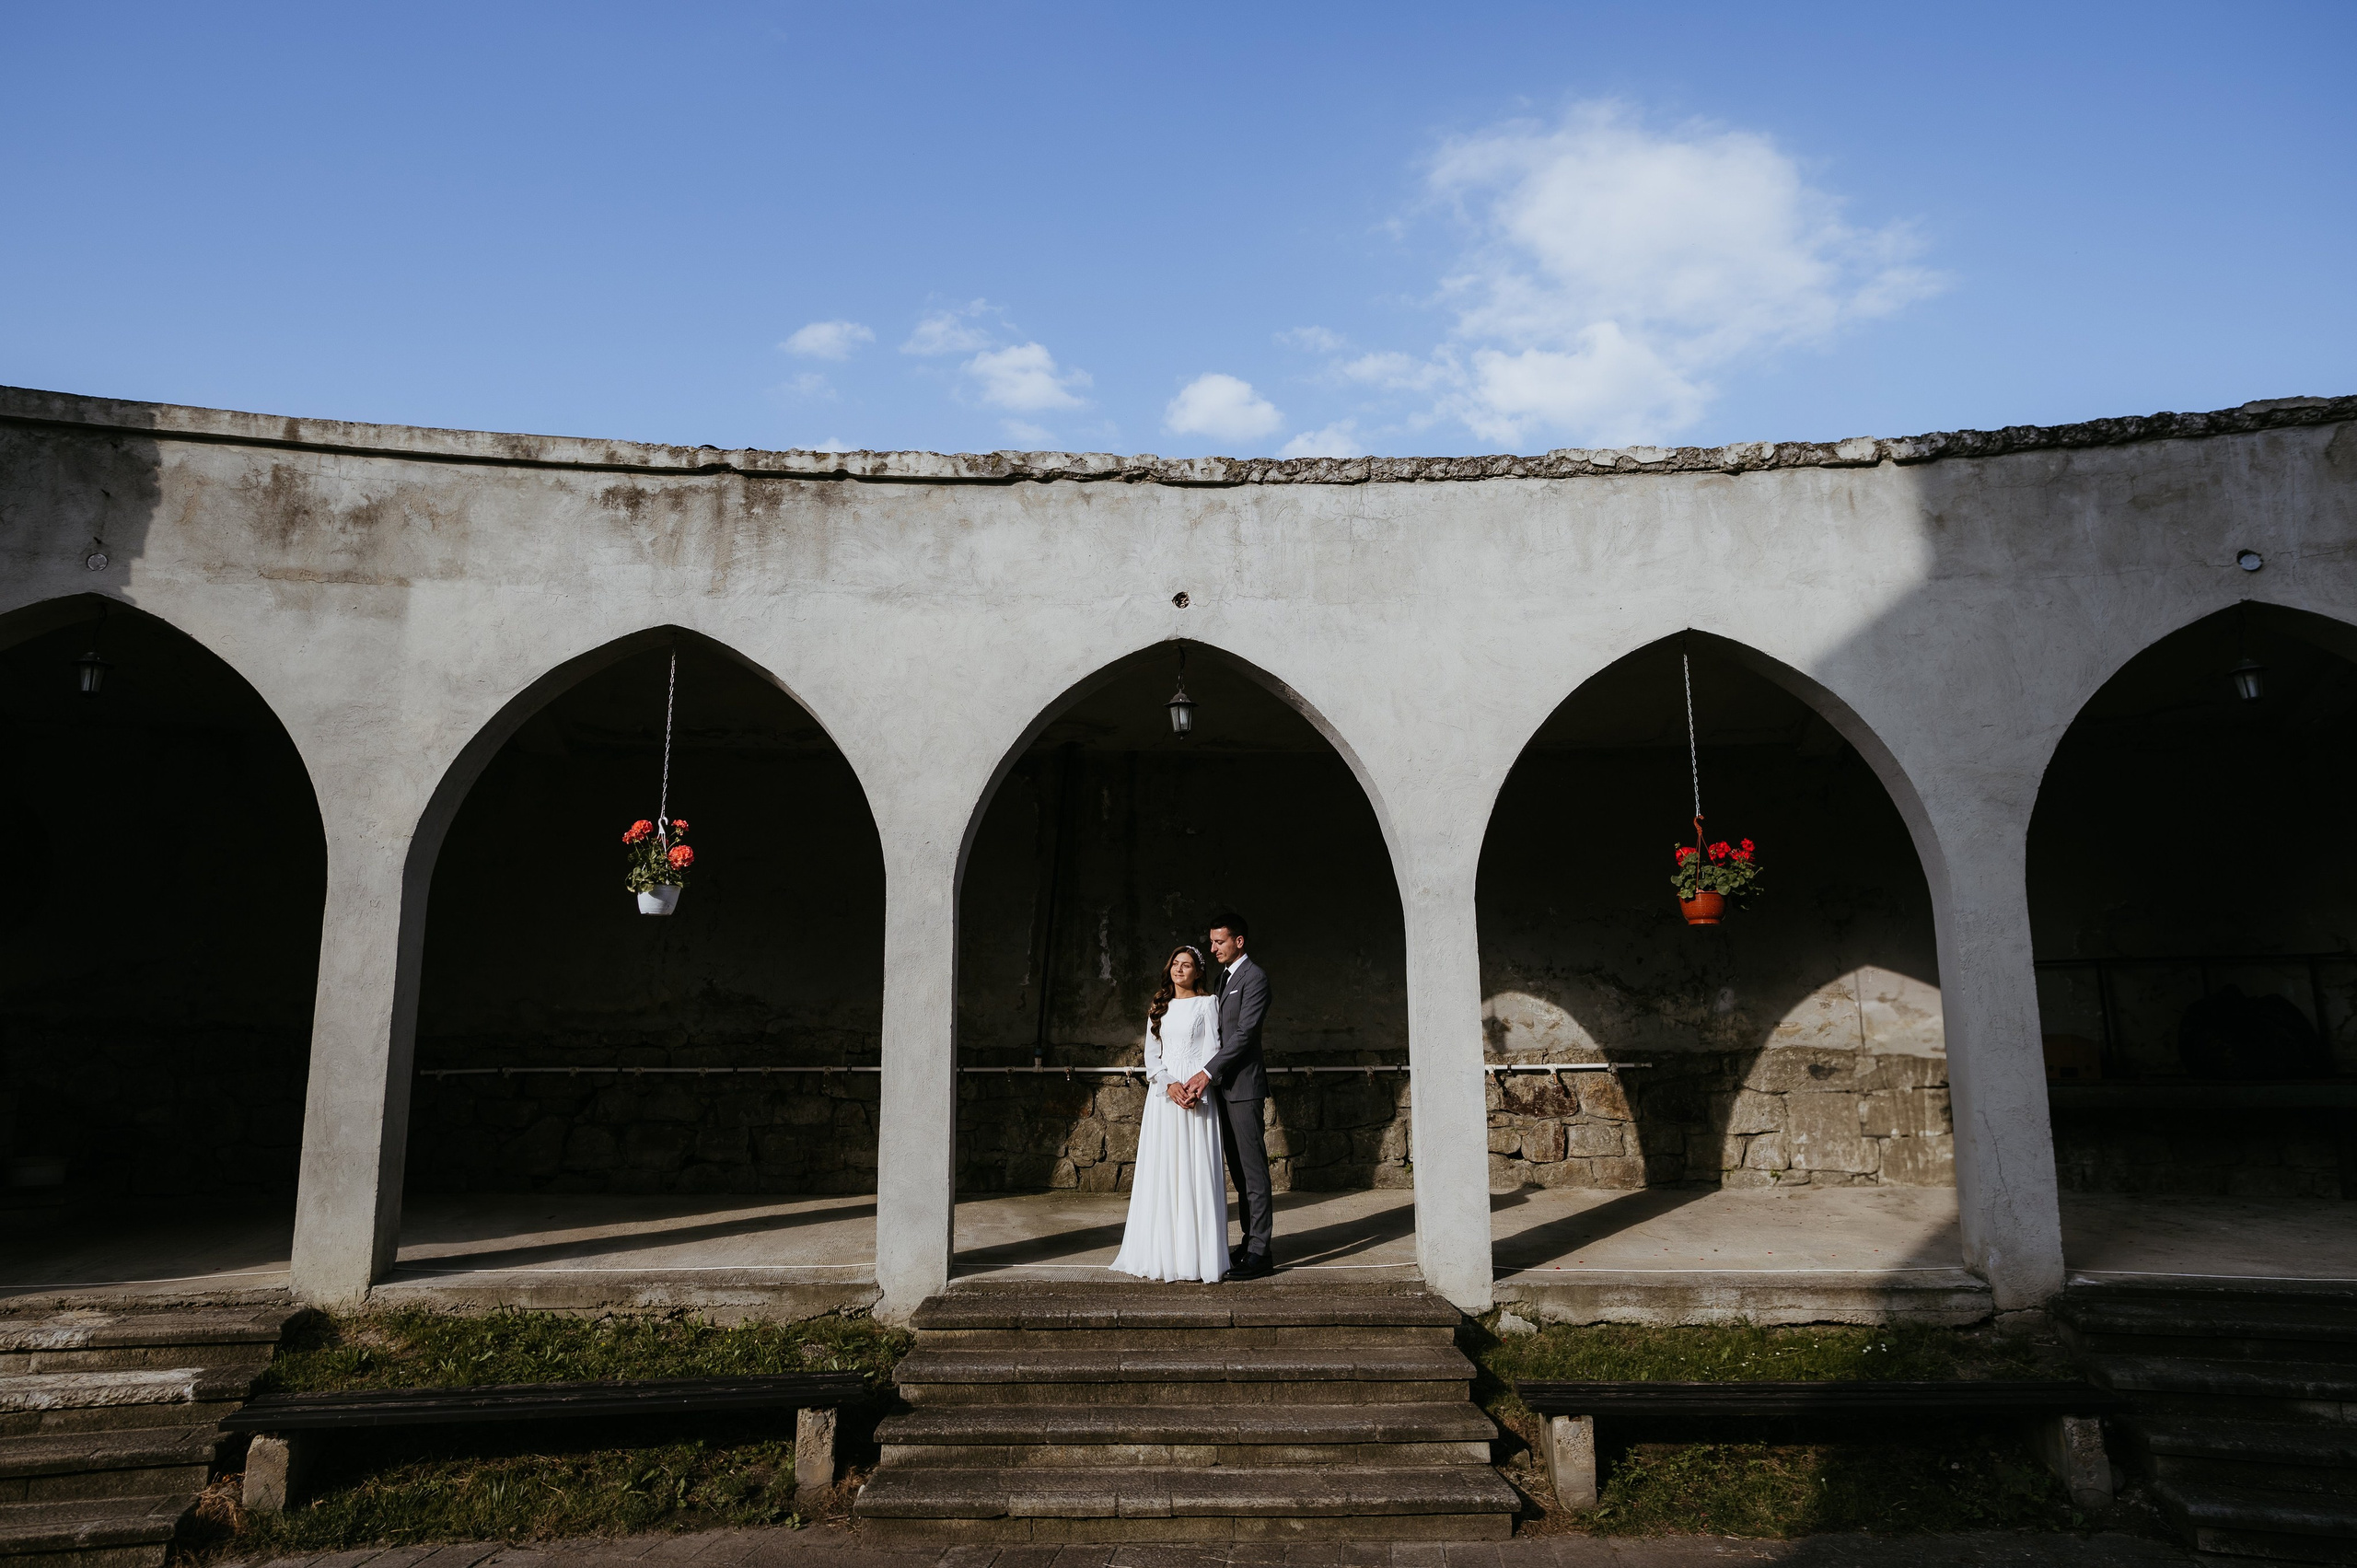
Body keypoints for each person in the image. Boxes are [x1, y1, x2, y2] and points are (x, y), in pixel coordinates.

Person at [1108, 945, 1228, 1283]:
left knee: (1194, 1170)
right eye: (1175, 964)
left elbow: (1213, 1051)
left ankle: (1197, 1256)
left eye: (1187, 965)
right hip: (1164, 1098)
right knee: (1165, 1170)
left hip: (1196, 1095)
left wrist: (1194, 1087)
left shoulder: (1208, 1004)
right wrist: (1169, 1085)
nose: (1179, 970)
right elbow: (1152, 1058)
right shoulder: (1158, 1008)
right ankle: (1160, 1252)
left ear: (1198, 972)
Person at [1183, 912, 1274, 1280]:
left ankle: (1261, 1253)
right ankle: (1248, 1240)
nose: (1213, 947)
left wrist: (1206, 1072)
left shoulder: (1256, 978)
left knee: (1253, 1172)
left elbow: (1244, 1035)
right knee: (1237, 1172)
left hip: (1244, 1087)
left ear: (1239, 941)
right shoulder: (1223, 979)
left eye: (1219, 941)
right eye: (1211, 941)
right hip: (1224, 1088)